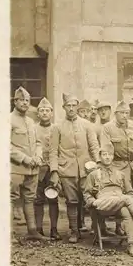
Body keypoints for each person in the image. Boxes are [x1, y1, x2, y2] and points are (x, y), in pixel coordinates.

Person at [83, 143, 133, 257]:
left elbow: (131, 193)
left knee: (126, 210)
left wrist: (127, 199)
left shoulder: (120, 174)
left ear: (113, 157)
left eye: (110, 155)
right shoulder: (93, 174)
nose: (107, 157)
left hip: (120, 202)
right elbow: (86, 193)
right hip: (103, 204)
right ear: (100, 157)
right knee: (125, 199)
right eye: (104, 155)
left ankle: (131, 245)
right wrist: (93, 202)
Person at [49, 93, 100, 243]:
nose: (71, 108)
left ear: (77, 107)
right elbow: (53, 151)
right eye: (68, 106)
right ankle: (74, 231)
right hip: (67, 170)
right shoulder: (57, 127)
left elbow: (94, 146)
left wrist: (98, 164)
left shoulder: (86, 125)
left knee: (90, 199)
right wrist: (54, 171)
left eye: (73, 105)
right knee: (71, 201)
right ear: (64, 107)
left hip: (86, 170)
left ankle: (96, 229)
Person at [100, 100, 133, 241]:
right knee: (123, 199)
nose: (124, 116)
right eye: (121, 113)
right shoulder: (107, 128)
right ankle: (123, 229)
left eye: (126, 113)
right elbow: (105, 149)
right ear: (115, 114)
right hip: (118, 168)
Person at [10, 86, 48, 242]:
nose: (25, 103)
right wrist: (25, 158)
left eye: (27, 100)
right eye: (22, 100)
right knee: (11, 198)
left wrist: (38, 156)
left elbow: (38, 142)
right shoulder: (9, 119)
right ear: (15, 101)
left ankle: (32, 230)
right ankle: (9, 232)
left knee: (29, 198)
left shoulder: (31, 121)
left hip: (33, 168)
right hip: (16, 168)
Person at [33, 97, 62, 240]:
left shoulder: (56, 129)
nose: (44, 113)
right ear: (38, 113)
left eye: (47, 111)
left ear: (52, 114)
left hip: (52, 169)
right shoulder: (33, 128)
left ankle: (54, 229)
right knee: (37, 200)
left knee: (53, 199)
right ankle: (38, 229)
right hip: (37, 169)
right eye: (42, 111)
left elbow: (58, 150)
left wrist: (55, 170)